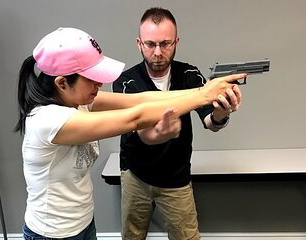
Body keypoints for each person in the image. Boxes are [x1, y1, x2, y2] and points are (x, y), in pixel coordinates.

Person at [15, 26, 245, 240]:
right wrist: (204, 96)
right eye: (92, 78)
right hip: (51, 234)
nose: (99, 84)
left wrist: (205, 90)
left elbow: (139, 99)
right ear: (62, 83)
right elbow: (135, 117)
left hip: (83, 223)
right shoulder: (47, 120)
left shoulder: (78, 101)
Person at [112, 7, 243, 240]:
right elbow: (141, 129)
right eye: (150, 44)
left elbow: (211, 122)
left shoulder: (190, 75)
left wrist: (221, 113)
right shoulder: (126, 82)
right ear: (139, 43)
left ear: (177, 42)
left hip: (176, 177)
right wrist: (160, 134)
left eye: (166, 44)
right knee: (132, 237)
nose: (158, 52)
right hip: (136, 176)